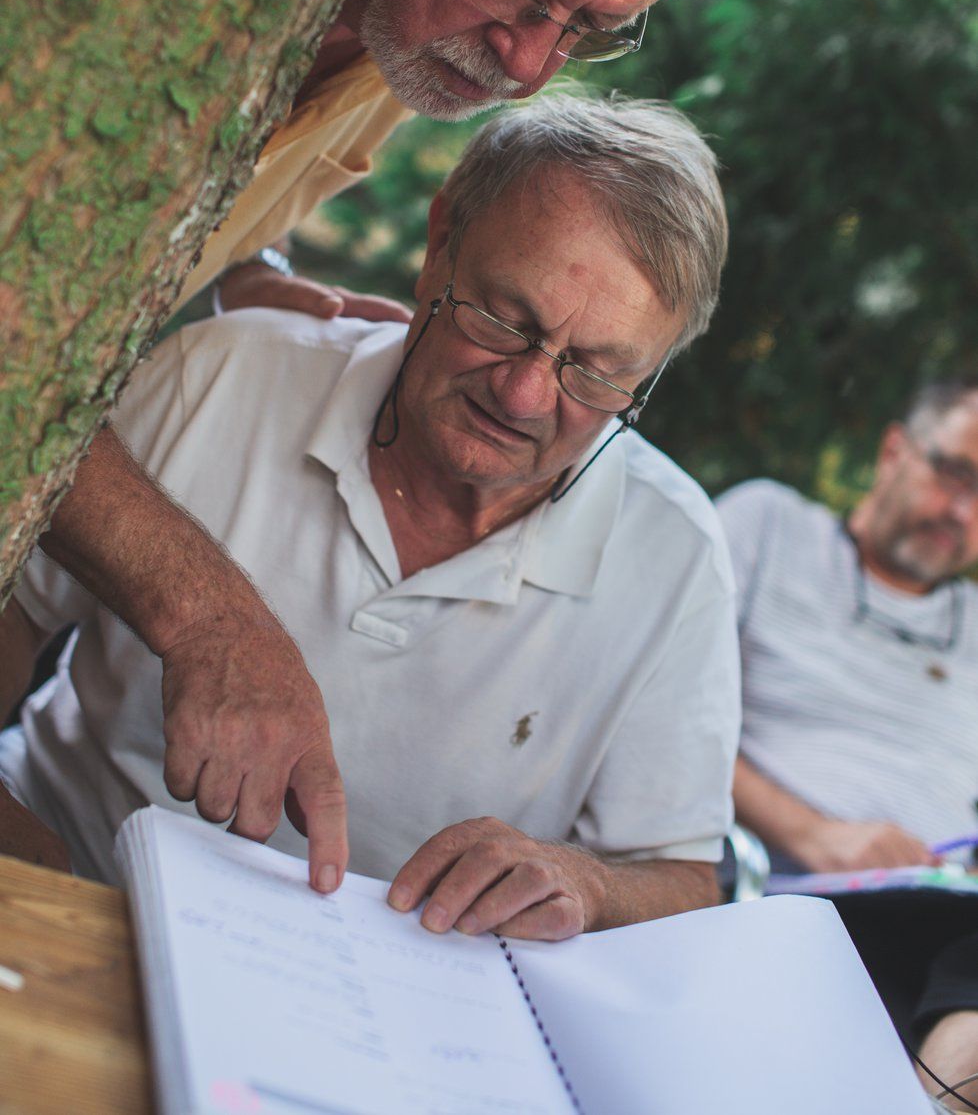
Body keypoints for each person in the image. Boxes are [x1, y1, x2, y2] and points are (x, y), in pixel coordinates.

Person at [2, 0, 752, 888]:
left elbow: (101, 188)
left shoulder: (404, 47)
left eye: (592, 28)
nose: (525, 65)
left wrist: (248, 271)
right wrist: (209, 610)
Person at [0, 94, 738, 943]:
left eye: (598, 374)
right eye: (505, 319)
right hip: (78, 895)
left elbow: (683, 878)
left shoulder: (675, 555)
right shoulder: (223, 373)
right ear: (441, 245)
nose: (526, 394)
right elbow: (14, 606)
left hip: (387, 1005)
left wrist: (589, 885)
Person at [718, 382, 978, 1109]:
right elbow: (657, 712)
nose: (961, 512)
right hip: (796, 898)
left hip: (947, 926)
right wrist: (816, 834)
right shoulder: (770, 527)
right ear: (894, 450)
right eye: (954, 473)